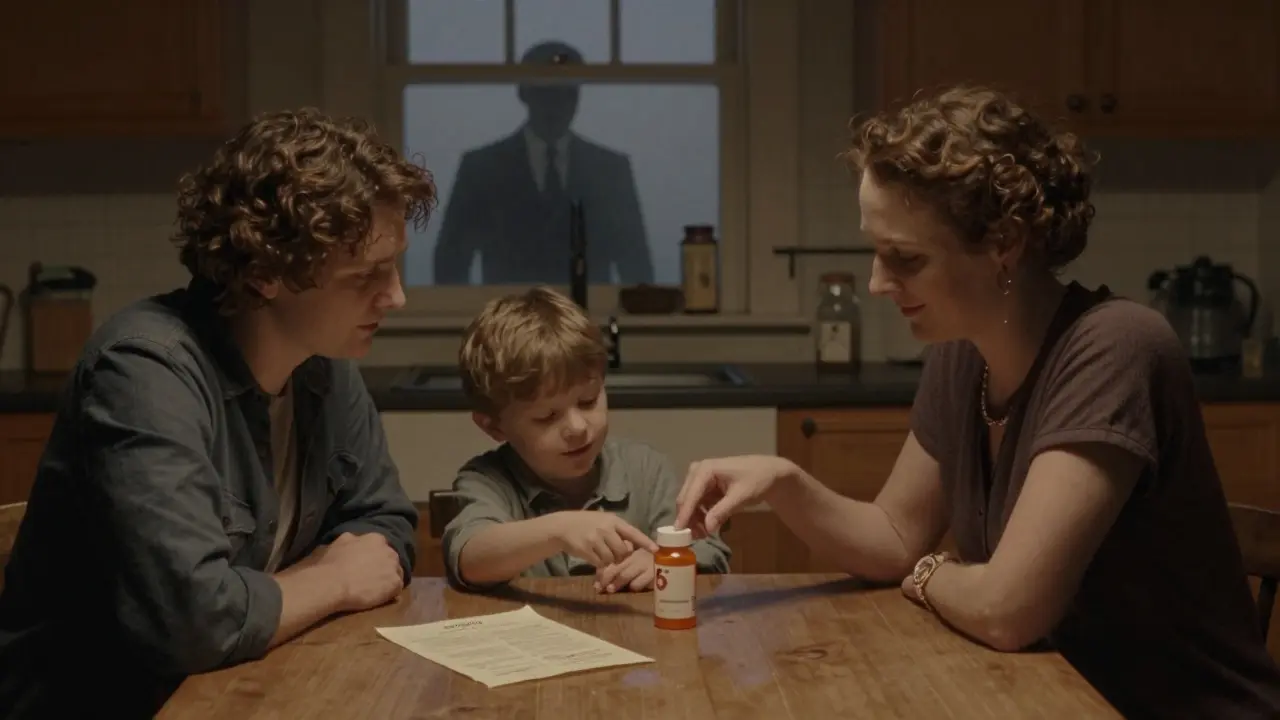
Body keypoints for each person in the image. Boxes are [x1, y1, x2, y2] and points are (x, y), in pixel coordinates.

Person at [672, 85, 1280, 717]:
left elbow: (1007, 610)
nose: (879, 283)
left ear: (1003, 244)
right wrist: (783, 481)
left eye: (904, 258)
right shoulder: (965, 353)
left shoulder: (1115, 348)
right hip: (1049, 700)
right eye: (876, 254)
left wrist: (932, 573)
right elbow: (893, 536)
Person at [0, 108, 437, 717]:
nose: (395, 296)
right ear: (263, 274)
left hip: (252, 686)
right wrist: (334, 580)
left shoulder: (324, 365)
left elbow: (385, 526)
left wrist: (271, 598)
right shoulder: (144, 370)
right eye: (366, 274)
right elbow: (194, 622)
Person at [442, 287, 730, 593]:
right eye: (547, 417)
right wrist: (559, 530)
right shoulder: (486, 480)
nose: (578, 427)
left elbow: (708, 552)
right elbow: (470, 558)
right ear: (494, 426)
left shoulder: (645, 469)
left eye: (588, 401)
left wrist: (661, 559)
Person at [433, 40, 654, 286]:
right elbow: (450, 262)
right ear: (523, 93)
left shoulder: (611, 170)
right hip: (509, 318)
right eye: (546, 92)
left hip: (589, 317)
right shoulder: (481, 168)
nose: (557, 105)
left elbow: (636, 264)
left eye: (566, 93)